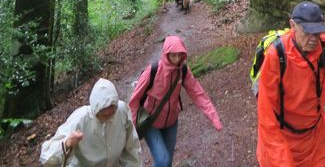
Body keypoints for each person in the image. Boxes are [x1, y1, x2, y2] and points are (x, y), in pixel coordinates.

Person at [256, 1, 325, 167]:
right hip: (284, 139)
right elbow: (266, 114)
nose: (314, 38)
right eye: (308, 31)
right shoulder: (276, 55)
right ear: (293, 25)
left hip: (317, 136)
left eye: (318, 32)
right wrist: (281, 160)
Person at [129, 35, 222, 167]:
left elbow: (198, 93)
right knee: (163, 160)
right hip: (151, 123)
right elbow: (134, 100)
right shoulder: (152, 71)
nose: (176, 59)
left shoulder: (183, 71)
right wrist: (132, 127)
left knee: (167, 163)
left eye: (179, 55)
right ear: (166, 54)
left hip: (172, 122)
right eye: (173, 55)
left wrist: (213, 117)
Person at [40, 78, 142, 166]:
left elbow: (131, 147)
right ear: (95, 109)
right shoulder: (80, 118)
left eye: (112, 111)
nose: (108, 115)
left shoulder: (122, 111)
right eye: (103, 113)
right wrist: (67, 143)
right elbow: (46, 155)